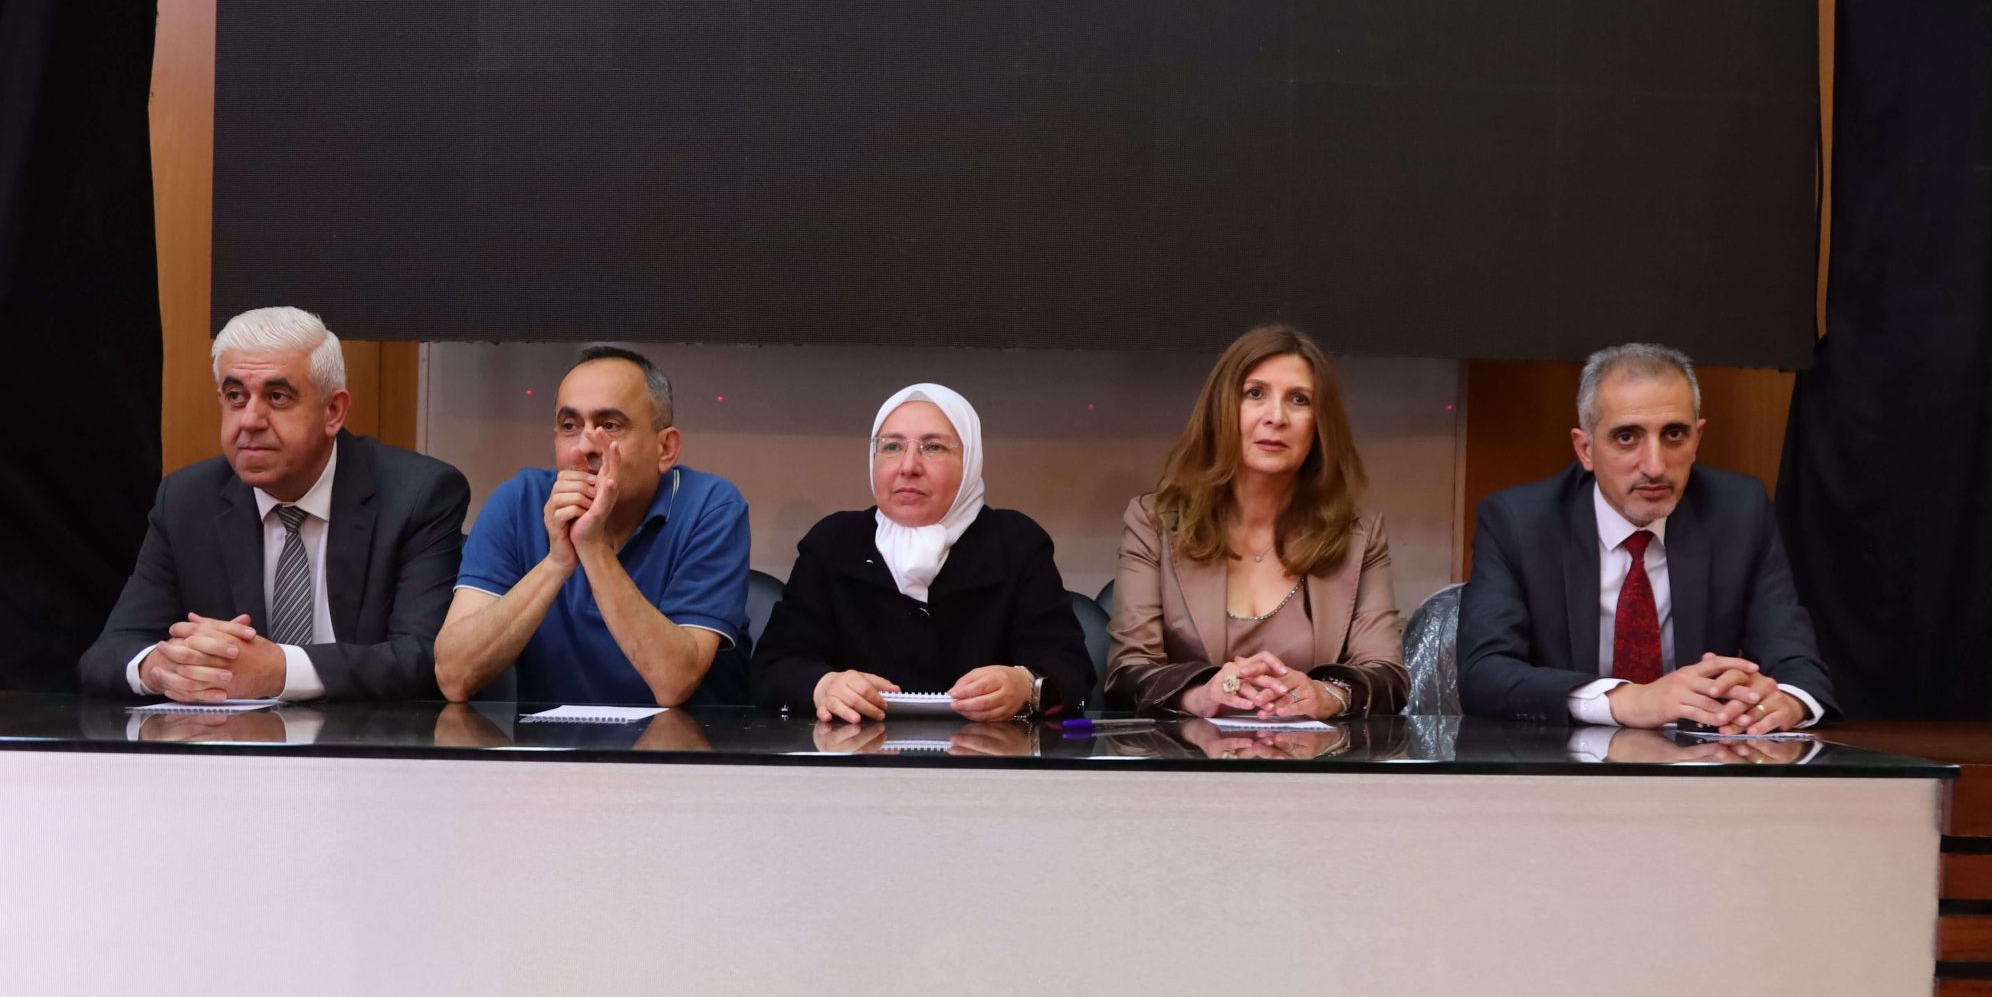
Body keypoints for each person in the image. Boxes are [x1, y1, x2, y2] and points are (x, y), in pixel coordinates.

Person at [79, 307, 470, 702]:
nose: (250, 420)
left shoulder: (418, 495)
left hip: (367, 736)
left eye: (277, 397)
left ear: (333, 411)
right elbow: (109, 652)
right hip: (228, 739)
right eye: (235, 396)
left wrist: (281, 670)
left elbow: (424, 658)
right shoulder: (187, 500)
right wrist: (163, 669)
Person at [1459, 342, 1835, 731]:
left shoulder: (1739, 512)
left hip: (1698, 758)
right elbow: (1483, 673)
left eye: (1674, 434)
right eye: (1627, 437)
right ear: (1585, 449)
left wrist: (1783, 701)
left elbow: (1797, 663)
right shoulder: (1519, 522)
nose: (1655, 466)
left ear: (1697, 440)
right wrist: (1625, 699)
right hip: (1563, 759)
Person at [1106, 325, 1408, 717]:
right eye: (1255, 394)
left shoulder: (1359, 535)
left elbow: (1387, 677)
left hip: (1313, 751)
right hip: (1190, 749)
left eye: (1299, 400)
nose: (1276, 417)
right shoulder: (1154, 522)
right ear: (1221, 410)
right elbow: (1127, 674)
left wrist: (1328, 695)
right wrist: (1201, 696)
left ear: (1320, 424)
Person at [753, 384, 1095, 723]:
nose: (908, 466)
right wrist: (822, 686)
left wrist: (1026, 686)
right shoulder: (833, 542)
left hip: (989, 752)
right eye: (892, 446)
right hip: (856, 751)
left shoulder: (1016, 542)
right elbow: (773, 666)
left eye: (933, 447)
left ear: (970, 460)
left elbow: (1072, 670)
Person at [436, 345, 750, 705]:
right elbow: (453, 676)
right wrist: (556, 563)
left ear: (665, 448)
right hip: (549, 741)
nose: (585, 447)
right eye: (569, 426)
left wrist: (592, 546)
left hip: (683, 740)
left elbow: (673, 682)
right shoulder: (519, 500)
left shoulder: (710, 506)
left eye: (609, 426)